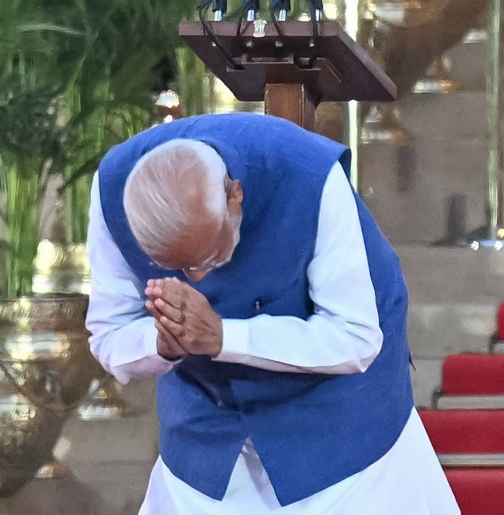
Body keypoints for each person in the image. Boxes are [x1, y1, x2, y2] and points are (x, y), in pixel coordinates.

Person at [85, 113, 460, 514]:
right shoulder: (112, 189)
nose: (195, 278)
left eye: (208, 258)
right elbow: (109, 334)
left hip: (339, 428)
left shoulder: (307, 174)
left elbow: (355, 336)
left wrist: (222, 338)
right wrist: (162, 343)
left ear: (235, 196)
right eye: (175, 267)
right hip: (206, 426)